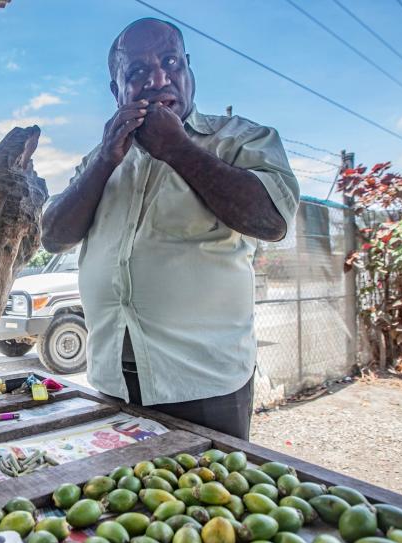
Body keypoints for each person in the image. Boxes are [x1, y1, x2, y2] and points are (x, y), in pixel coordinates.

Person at [42, 18, 299, 440]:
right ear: (116, 91)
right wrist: (106, 158)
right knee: (116, 500)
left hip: (203, 384)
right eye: (137, 71)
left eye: (170, 62)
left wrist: (177, 149)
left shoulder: (237, 140)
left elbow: (271, 221)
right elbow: (54, 235)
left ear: (189, 71)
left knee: (208, 499)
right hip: (112, 378)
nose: (158, 78)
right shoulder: (102, 157)